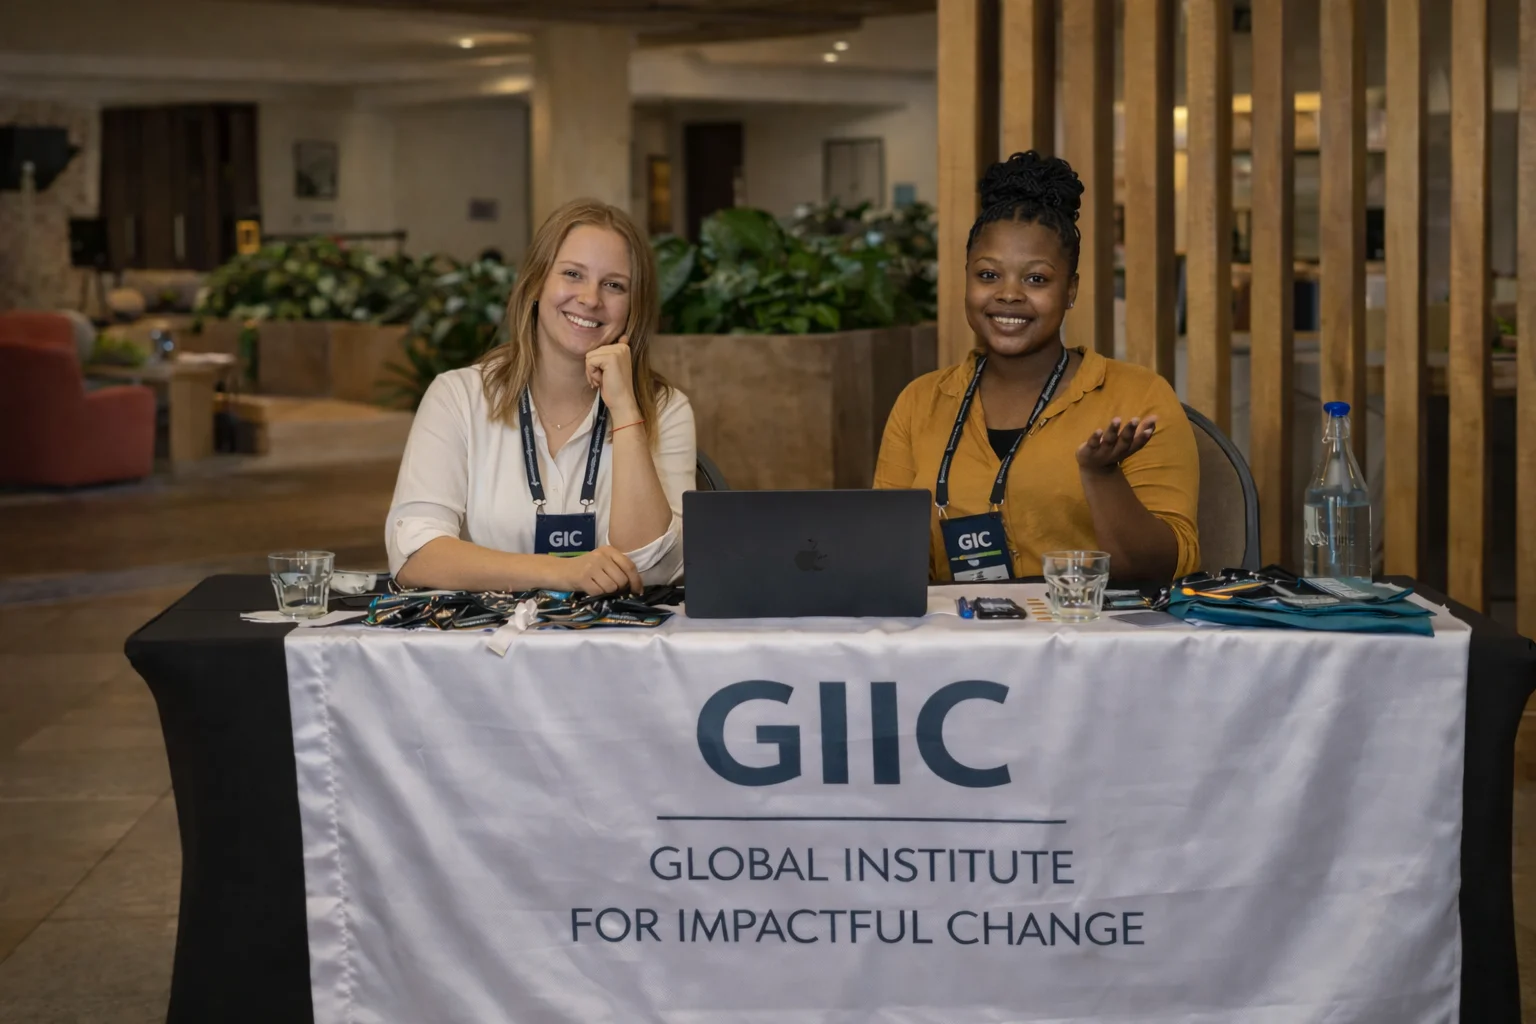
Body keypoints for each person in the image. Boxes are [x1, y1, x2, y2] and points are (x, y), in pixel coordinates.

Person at [875, 151, 1200, 582]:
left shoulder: (1137, 398)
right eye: (988, 275)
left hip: (1088, 624)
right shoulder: (920, 402)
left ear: (1071, 290)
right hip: (958, 625)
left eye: (1036, 279)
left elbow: (1160, 571)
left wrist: (1102, 476)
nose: (1009, 294)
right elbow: (886, 557)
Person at [386, 198, 696, 595]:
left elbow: (656, 566)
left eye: (614, 285)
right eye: (572, 274)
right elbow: (415, 554)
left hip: (618, 632)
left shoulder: (666, 409)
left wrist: (625, 410)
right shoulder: (458, 397)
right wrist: (560, 572)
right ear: (536, 283)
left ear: (634, 307)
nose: (590, 299)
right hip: (490, 631)